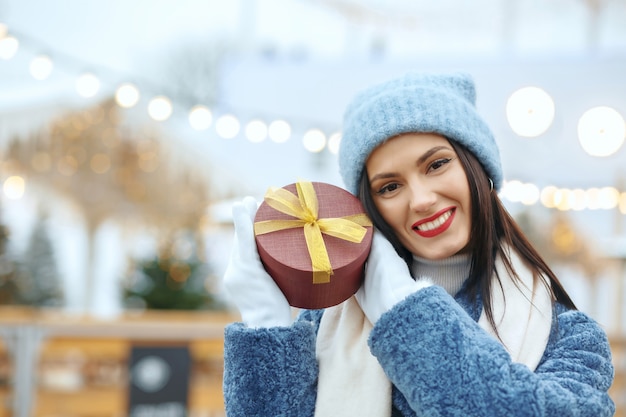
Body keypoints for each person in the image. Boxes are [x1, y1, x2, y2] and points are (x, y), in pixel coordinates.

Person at [221, 72, 615, 416]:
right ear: (370, 207)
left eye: (437, 164)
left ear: (478, 168)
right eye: (390, 186)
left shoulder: (570, 337)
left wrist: (406, 314)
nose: (422, 199)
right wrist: (266, 325)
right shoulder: (325, 324)